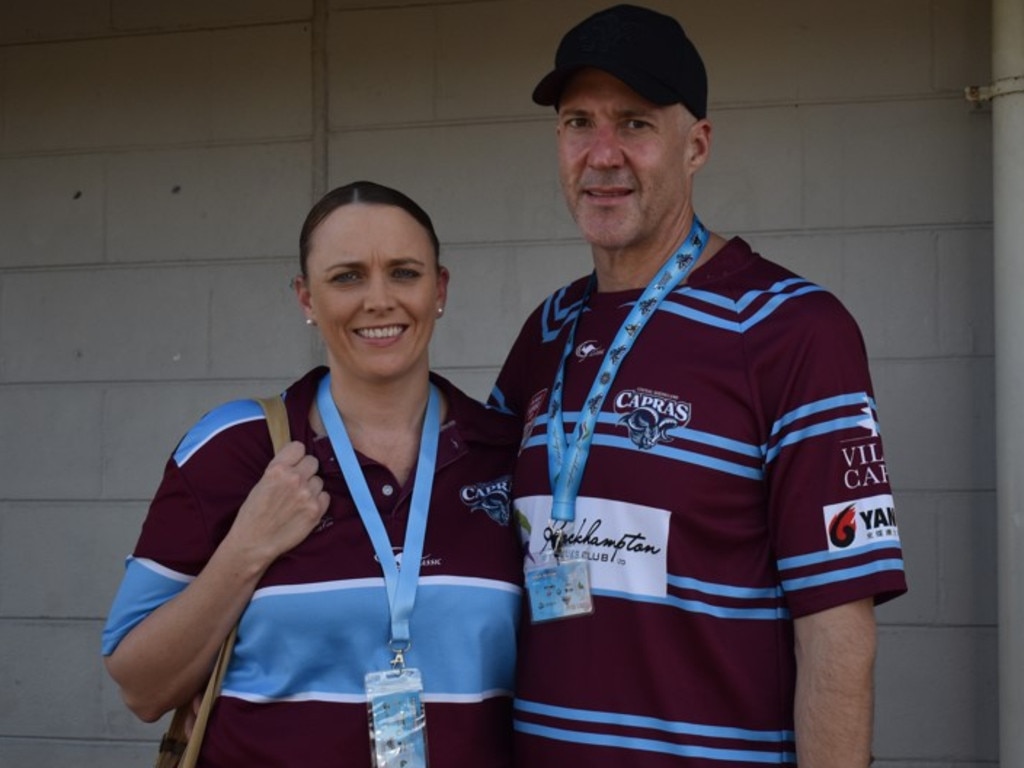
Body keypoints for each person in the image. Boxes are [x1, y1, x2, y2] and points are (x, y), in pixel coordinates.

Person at [488, 5, 907, 767]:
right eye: (579, 122)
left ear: (697, 145)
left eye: (637, 124)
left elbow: (838, 635)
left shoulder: (793, 330)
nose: (603, 154)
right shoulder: (545, 331)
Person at [103, 180, 523, 766]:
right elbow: (140, 687)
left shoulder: (506, 453)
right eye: (346, 276)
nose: (379, 300)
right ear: (305, 298)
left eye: (404, 272)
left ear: (439, 288)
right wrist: (247, 550)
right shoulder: (235, 449)